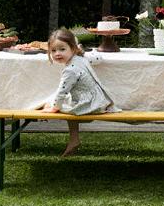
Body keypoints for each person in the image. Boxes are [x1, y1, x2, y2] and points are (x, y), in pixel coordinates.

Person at [42, 28, 119, 156]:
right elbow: (99, 58)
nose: (57, 54)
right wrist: (84, 52)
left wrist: (54, 108)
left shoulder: (70, 70)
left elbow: (62, 92)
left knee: (55, 103)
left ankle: (73, 139)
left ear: (72, 48)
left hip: (90, 104)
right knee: (61, 101)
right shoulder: (80, 58)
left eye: (62, 49)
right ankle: (74, 139)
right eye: (53, 50)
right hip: (98, 99)